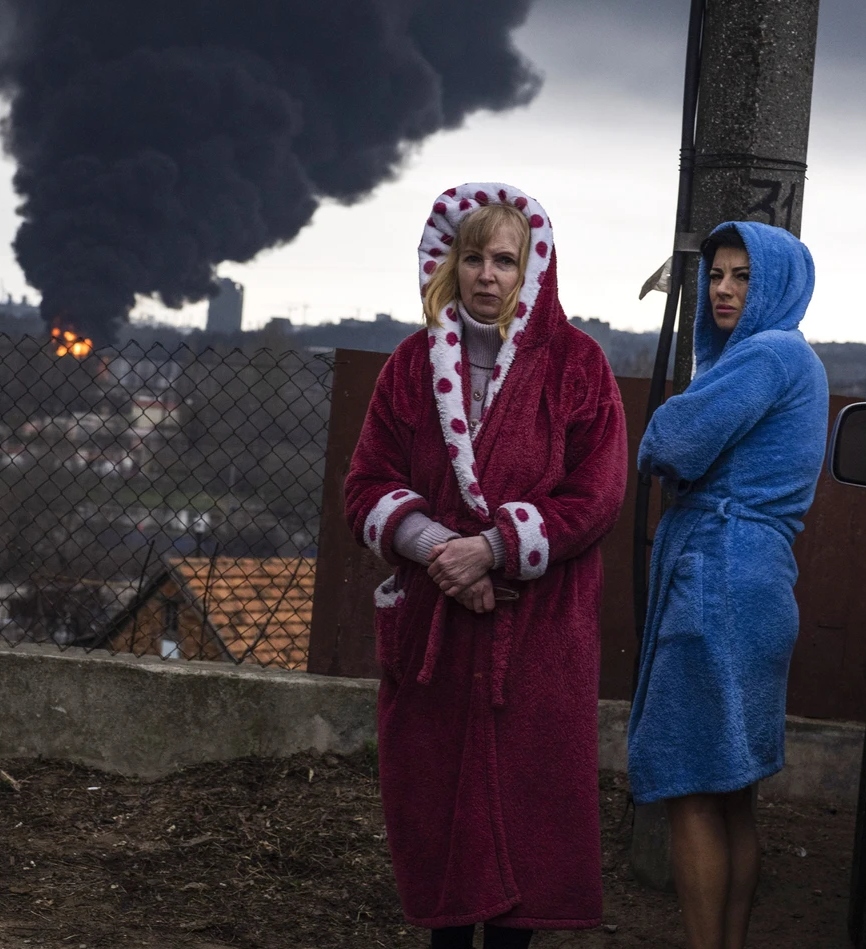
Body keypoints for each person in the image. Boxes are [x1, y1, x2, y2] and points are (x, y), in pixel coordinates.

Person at [345, 183, 628, 947]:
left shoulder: (578, 366)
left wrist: (498, 546)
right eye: (474, 256)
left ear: (533, 268)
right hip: (437, 633)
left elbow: (597, 494)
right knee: (439, 827)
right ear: (449, 262)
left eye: (506, 259)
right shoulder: (409, 366)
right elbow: (365, 485)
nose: (488, 274)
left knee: (527, 835)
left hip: (537, 637)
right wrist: (439, 548)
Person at [627, 220, 828, 949]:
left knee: (689, 789)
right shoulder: (800, 360)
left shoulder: (768, 354)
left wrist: (659, 439)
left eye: (743, 276)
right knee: (733, 793)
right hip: (761, 579)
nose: (723, 289)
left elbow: (669, 442)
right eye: (716, 274)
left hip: (719, 578)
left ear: (775, 284)